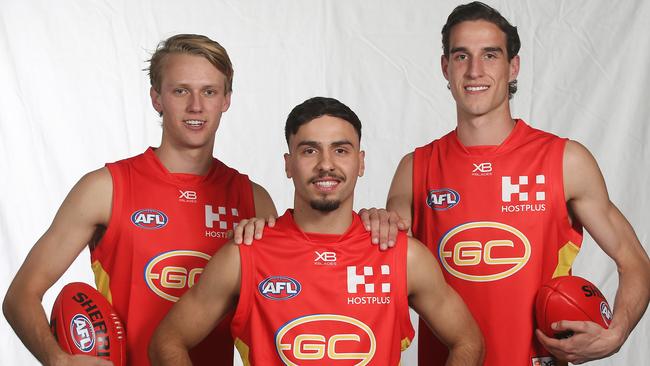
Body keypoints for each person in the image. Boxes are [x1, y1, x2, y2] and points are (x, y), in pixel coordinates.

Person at [385, 2, 650, 365]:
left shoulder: (564, 161)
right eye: (461, 56)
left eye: (490, 55)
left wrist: (617, 331)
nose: (475, 70)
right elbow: (386, 269)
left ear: (513, 66)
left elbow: (633, 260)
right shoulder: (415, 168)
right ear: (445, 67)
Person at [2, 34, 277, 366]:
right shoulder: (106, 188)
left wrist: (359, 228)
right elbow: (20, 297)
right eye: (180, 91)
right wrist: (57, 359)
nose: (196, 106)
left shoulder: (252, 200)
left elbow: (286, 306)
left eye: (209, 91)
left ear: (226, 100)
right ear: (156, 98)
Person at [149, 97, 484, 365]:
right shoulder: (246, 252)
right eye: (310, 150)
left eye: (340, 150)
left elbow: (468, 341)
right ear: (288, 164)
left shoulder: (401, 255)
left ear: (361, 162)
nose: (326, 164)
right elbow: (167, 341)